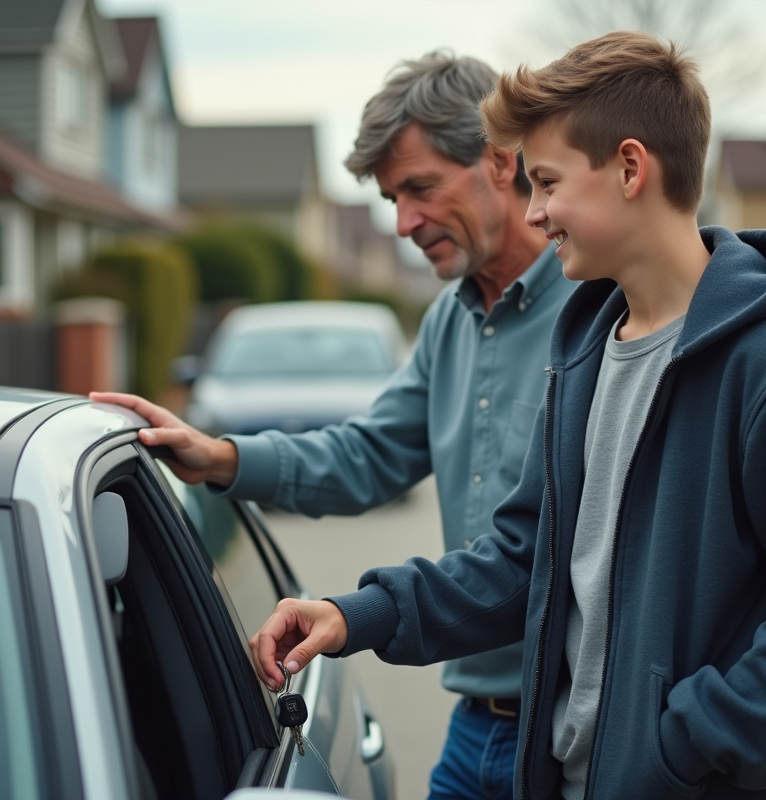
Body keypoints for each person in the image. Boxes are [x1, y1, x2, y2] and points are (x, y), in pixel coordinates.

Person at [248, 32, 766, 800]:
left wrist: (684, 747)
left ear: (630, 168)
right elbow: (525, 560)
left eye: (548, 182)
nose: (535, 211)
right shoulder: (590, 353)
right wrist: (354, 614)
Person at [91, 52, 575, 800]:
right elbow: (370, 455)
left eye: (419, 189)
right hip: (477, 723)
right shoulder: (451, 320)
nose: (405, 223)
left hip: (579, 727)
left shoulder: (599, 309)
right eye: (391, 198)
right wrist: (218, 457)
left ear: (500, 160)